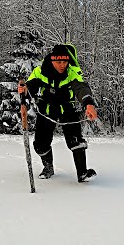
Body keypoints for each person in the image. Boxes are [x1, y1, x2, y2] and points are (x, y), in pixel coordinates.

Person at [18, 43, 98, 183]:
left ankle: (82, 173)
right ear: (53, 60)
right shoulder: (40, 71)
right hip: (47, 110)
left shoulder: (72, 72)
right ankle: (48, 167)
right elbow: (29, 88)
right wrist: (24, 91)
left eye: (65, 61)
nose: (63, 65)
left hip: (68, 109)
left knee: (76, 141)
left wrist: (88, 104)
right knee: (40, 144)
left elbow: (81, 88)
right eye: (59, 62)